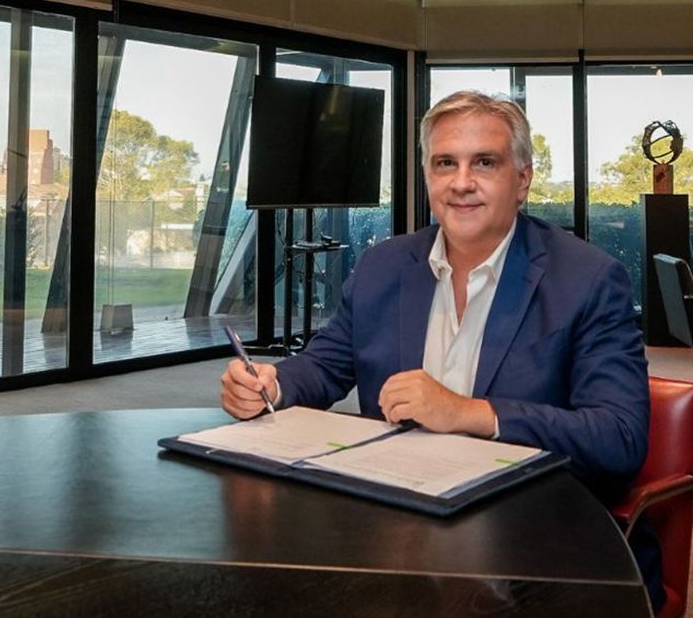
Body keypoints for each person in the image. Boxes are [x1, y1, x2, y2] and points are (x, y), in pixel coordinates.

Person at [221, 90, 659, 607]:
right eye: (445, 163)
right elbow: (325, 364)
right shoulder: (383, 266)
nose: (461, 182)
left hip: (536, 546)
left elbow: (618, 438)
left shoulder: (588, 280)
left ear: (522, 179)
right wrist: (272, 385)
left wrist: (469, 413)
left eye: (485, 163)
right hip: (397, 528)